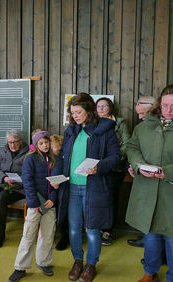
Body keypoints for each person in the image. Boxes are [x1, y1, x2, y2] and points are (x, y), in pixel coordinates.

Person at [52, 93, 121, 282]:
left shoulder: (105, 130)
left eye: (78, 112)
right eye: (72, 112)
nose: (75, 116)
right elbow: (62, 159)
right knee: (74, 228)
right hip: (72, 187)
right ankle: (77, 261)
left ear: (89, 110)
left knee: (92, 228)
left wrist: (99, 167)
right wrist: (56, 178)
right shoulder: (70, 131)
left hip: (94, 187)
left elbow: (115, 157)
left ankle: (91, 264)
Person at [125, 85, 173, 282]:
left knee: (172, 238)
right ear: (158, 105)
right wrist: (137, 165)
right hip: (147, 191)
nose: (169, 110)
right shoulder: (144, 126)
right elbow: (131, 146)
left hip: (170, 194)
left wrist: (166, 172)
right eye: (165, 105)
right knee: (150, 234)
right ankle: (150, 272)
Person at [8, 130, 58, 282]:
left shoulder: (55, 159)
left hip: (50, 204)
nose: (44, 145)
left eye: (47, 142)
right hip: (35, 203)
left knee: (48, 235)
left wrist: (53, 198)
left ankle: (44, 262)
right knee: (28, 235)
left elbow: (58, 182)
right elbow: (28, 182)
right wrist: (34, 203)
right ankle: (20, 267)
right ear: (36, 145)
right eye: (41, 143)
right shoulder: (30, 159)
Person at [96, 97, 130, 245]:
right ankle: (96, 228)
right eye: (98, 106)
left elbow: (127, 144)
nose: (101, 108)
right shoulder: (93, 123)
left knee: (111, 198)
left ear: (110, 107)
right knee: (97, 199)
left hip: (115, 166)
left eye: (104, 105)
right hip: (97, 167)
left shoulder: (120, 122)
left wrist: (113, 158)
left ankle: (108, 231)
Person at [0, 130, 29, 249]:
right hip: (3, 184)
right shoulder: (3, 151)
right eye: (10, 142)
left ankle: (0, 235)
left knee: (0, 199)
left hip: (19, 188)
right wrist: (4, 177)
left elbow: (29, 173)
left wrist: (17, 180)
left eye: (15, 142)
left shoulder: (28, 153)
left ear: (21, 141)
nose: (12, 145)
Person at [127, 96, 156, 248]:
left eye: (143, 114)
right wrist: (135, 165)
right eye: (138, 114)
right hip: (144, 176)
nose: (140, 118)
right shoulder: (141, 128)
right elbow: (133, 148)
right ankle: (149, 243)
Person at [50, 134, 69, 251]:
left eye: (55, 147)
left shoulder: (63, 157)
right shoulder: (47, 157)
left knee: (63, 204)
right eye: (52, 147)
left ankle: (64, 236)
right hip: (49, 187)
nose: (53, 149)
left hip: (63, 187)